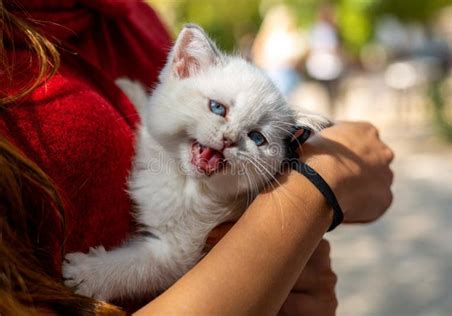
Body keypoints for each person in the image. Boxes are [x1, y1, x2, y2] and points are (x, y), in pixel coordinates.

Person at [0, 0, 394, 315]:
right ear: (183, 66)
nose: (228, 137)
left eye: (256, 137)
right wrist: (318, 186)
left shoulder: (134, 16)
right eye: (219, 109)